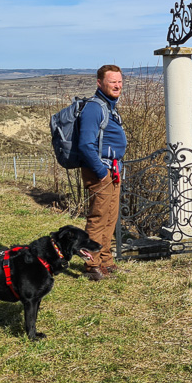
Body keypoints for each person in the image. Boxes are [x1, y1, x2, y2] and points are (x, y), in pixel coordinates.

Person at [77, 65, 128, 281]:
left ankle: (105, 261)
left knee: (110, 218)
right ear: (100, 83)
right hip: (101, 172)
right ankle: (92, 266)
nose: (117, 85)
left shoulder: (109, 107)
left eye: (119, 81)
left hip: (112, 171)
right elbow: (85, 144)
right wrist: (101, 172)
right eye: (112, 82)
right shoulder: (94, 108)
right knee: (98, 219)